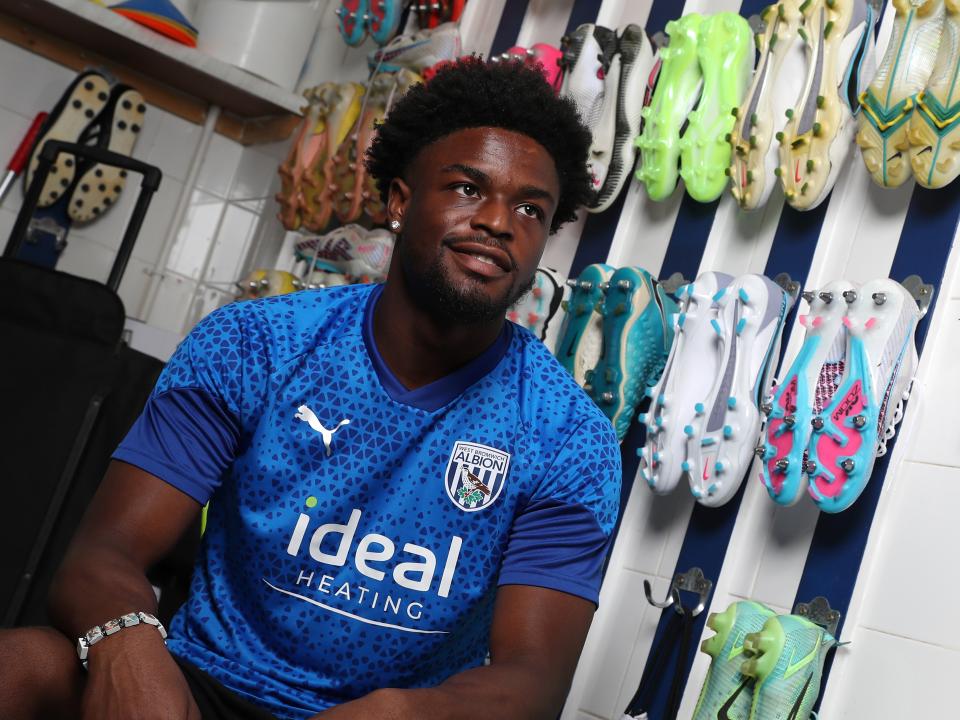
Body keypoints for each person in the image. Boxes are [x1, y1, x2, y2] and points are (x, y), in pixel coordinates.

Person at [0, 56, 621, 720]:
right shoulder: (256, 343)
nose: (500, 221)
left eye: (531, 208)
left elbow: (533, 682)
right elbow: (102, 555)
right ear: (400, 200)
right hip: (197, 689)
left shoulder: (568, 438)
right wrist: (128, 645)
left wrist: (399, 714)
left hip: (383, 718)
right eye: (469, 188)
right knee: (23, 665)